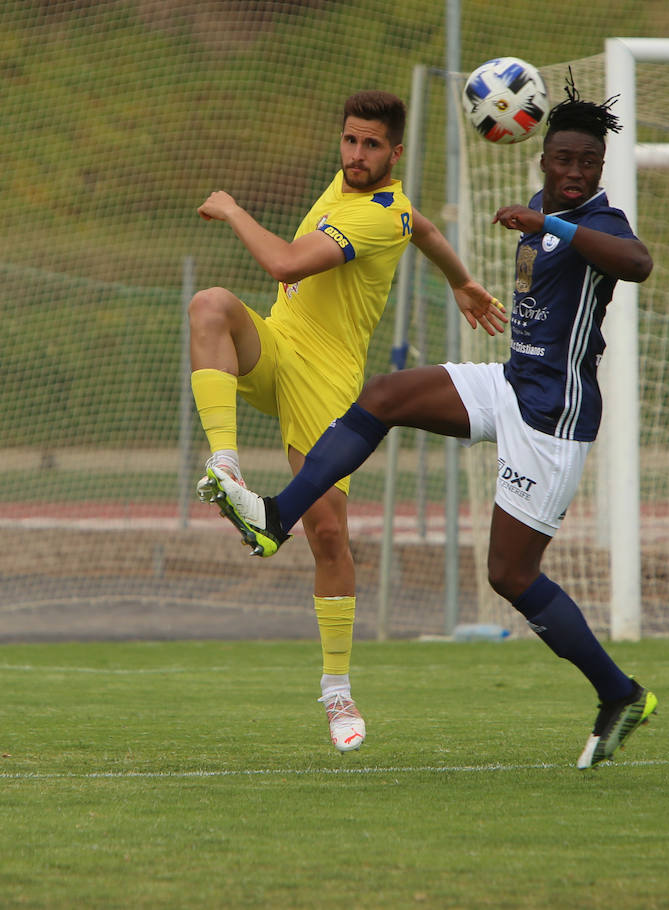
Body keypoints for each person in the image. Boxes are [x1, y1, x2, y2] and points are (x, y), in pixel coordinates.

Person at [203, 77, 658, 769]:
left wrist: (554, 226)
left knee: (509, 574)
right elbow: (418, 224)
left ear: (599, 168)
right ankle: (274, 517)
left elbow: (638, 263)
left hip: (552, 419)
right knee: (384, 395)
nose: (573, 173)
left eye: (586, 163)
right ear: (541, 158)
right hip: (511, 383)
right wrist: (462, 277)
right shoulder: (536, 202)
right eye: (562, 160)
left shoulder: (599, 223)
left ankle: (619, 692)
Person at [190, 90, 506, 753]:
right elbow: (428, 229)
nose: (355, 155)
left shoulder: (376, 215)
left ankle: (337, 692)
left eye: (370, 146)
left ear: (395, 152)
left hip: (328, 382)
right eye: (348, 141)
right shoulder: (363, 190)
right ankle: (226, 467)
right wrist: (460, 279)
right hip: (277, 347)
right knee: (211, 305)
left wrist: (231, 208)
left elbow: (282, 263)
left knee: (327, 533)